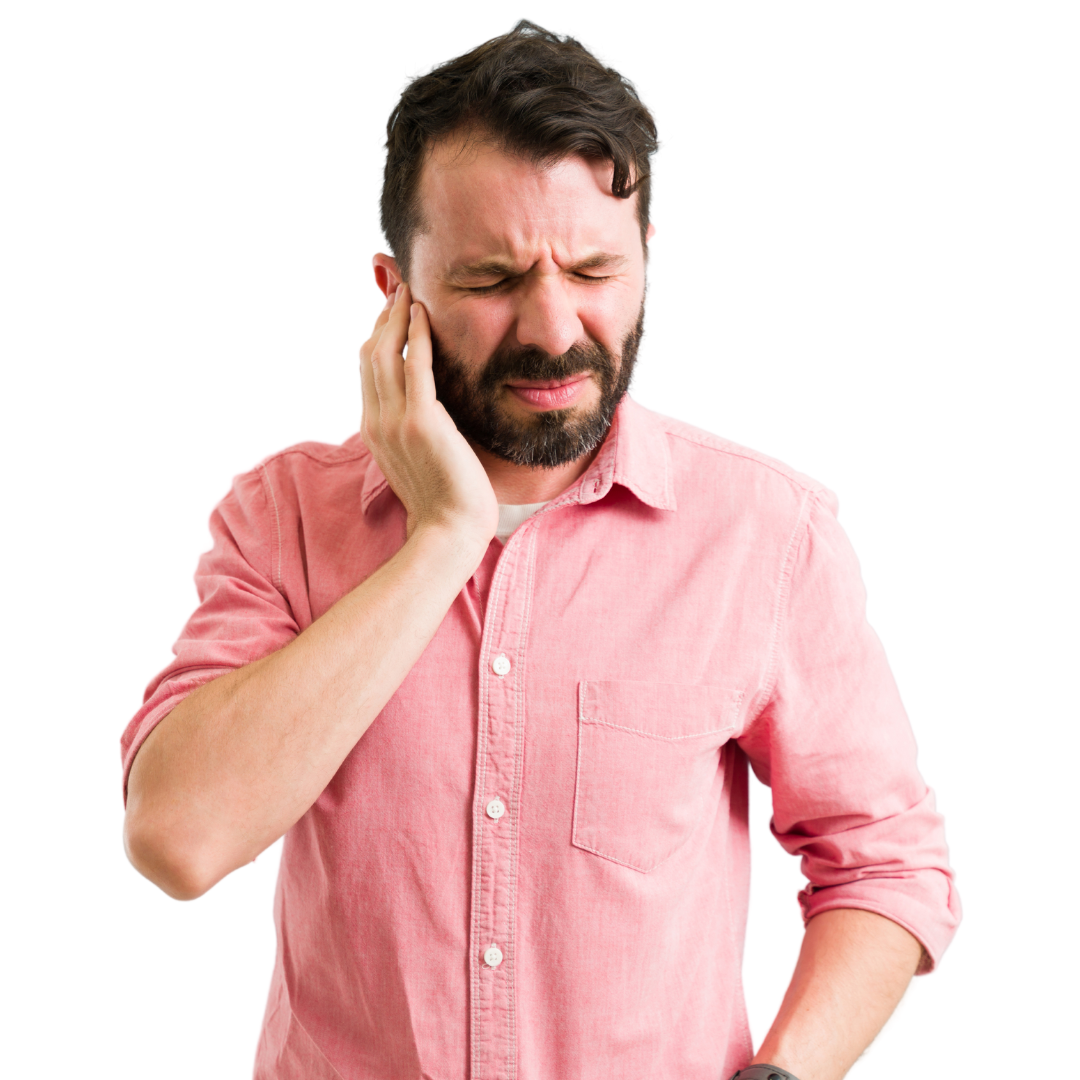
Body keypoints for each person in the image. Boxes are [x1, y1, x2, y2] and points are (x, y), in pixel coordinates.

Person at [118, 18, 962, 1080]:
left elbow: (885, 868)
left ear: (649, 262)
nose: (555, 328)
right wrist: (441, 538)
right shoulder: (280, 512)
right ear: (396, 297)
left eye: (594, 271)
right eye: (491, 281)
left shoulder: (769, 532)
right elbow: (179, 843)